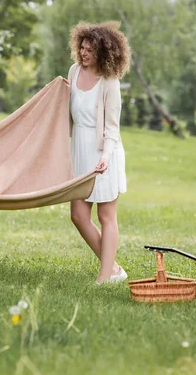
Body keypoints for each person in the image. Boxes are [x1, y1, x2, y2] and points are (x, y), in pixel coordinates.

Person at [64, 21, 130, 284]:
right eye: (81, 47)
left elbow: (113, 129)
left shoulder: (109, 81)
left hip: (104, 153)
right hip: (79, 149)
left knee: (105, 216)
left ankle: (104, 277)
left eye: (89, 49)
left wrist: (104, 158)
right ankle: (113, 268)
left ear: (103, 52)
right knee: (78, 216)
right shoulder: (73, 71)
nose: (84, 53)